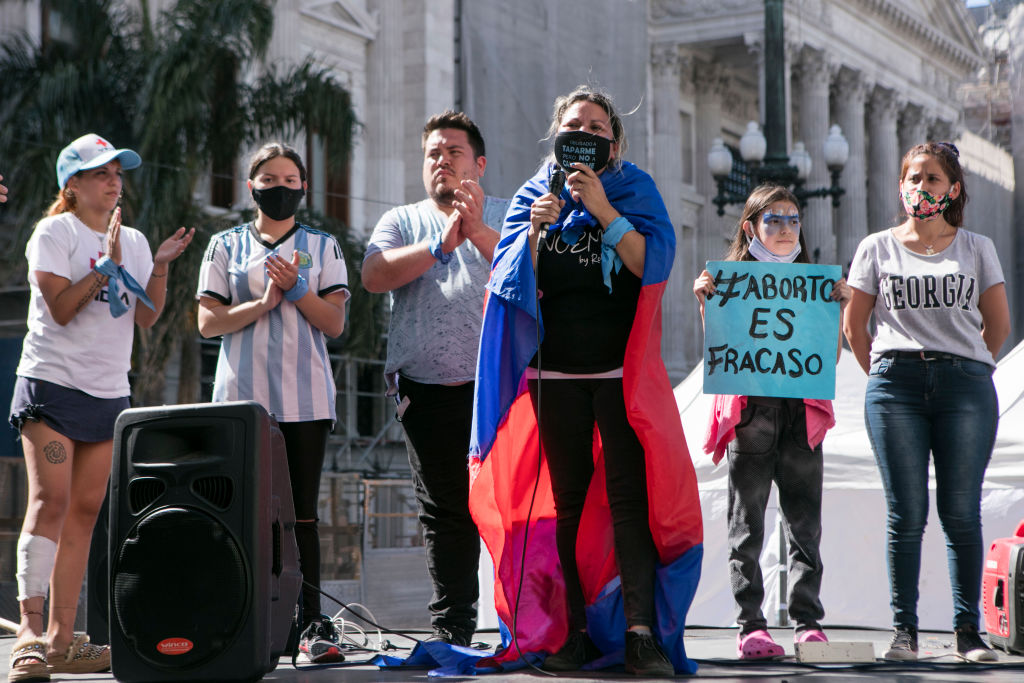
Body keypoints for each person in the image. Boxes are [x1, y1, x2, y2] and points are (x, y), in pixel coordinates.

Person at [470, 85, 703, 676]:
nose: (587, 133)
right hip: (556, 375)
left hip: (620, 373)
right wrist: (531, 234)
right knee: (568, 503)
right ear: (557, 133)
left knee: (630, 501)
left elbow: (654, 262)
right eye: (576, 124)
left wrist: (601, 208)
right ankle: (575, 632)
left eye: (599, 126)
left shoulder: (633, 188)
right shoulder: (533, 194)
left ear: (614, 141)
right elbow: (507, 281)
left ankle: (641, 634)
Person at [8, 133, 193, 683]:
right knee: (51, 501)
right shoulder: (54, 232)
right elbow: (62, 310)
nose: (114, 182)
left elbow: (146, 317)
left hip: (109, 394)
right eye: (101, 173)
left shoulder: (132, 238)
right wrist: (105, 265)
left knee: (85, 514)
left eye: (118, 173)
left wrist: (155, 264)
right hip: (53, 390)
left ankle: (64, 641)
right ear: (73, 184)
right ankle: (29, 634)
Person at [844, 141, 1010, 662]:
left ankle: (967, 633)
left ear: (953, 189)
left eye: (933, 179)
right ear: (901, 186)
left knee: (961, 511)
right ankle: (904, 633)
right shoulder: (876, 247)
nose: (922, 188)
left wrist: (966, 362)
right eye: (913, 178)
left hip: (965, 385)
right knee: (906, 514)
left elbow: (998, 326)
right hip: (896, 386)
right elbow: (855, 327)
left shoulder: (977, 247)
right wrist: (886, 376)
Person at [196, 142, 349, 663]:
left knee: (302, 514)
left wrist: (298, 289)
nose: (279, 188)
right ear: (251, 187)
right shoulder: (225, 245)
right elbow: (207, 322)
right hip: (242, 400)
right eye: (269, 179)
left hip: (307, 400)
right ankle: (237, 618)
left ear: (303, 187)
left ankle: (312, 625)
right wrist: (261, 304)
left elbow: (334, 322)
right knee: (240, 511)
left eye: (289, 179)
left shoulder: (323, 246)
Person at [361, 111, 507, 647]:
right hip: (424, 392)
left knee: (509, 507)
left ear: (479, 163)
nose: (441, 161)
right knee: (445, 512)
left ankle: (528, 624)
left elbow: (532, 274)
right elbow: (374, 275)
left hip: (498, 391)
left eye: (453, 152)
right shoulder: (402, 220)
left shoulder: (509, 212)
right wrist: (440, 245)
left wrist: (478, 233)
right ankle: (453, 628)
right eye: (432, 154)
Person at [694, 184, 850, 659]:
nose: (785, 228)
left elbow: (831, 357)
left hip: (801, 412)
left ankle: (807, 621)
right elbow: (721, 350)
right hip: (752, 413)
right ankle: (751, 625)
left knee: (806, 523)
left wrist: (838, 309)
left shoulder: (813, 284)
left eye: (793, 220)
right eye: (774, 220)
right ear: (751, 227)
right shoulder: (730, 282)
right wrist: (705, 302)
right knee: (748, 522)